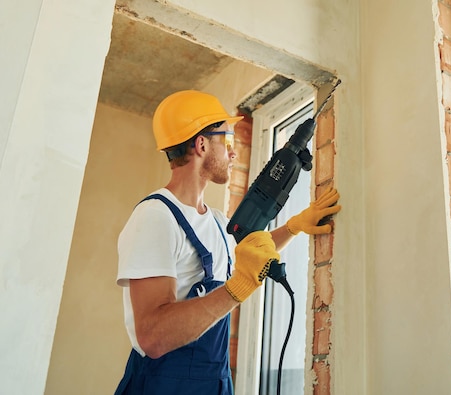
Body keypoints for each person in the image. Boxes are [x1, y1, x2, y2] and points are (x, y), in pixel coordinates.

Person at [114, 90, 341, 395]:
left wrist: (294, 226)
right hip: (164, 386)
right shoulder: (155, 218)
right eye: (229, 141)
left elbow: (246, 255)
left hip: (215, 384)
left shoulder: (217, 222)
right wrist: (236, 289)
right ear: (202, 144)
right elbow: (153, 337)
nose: (233, 153)